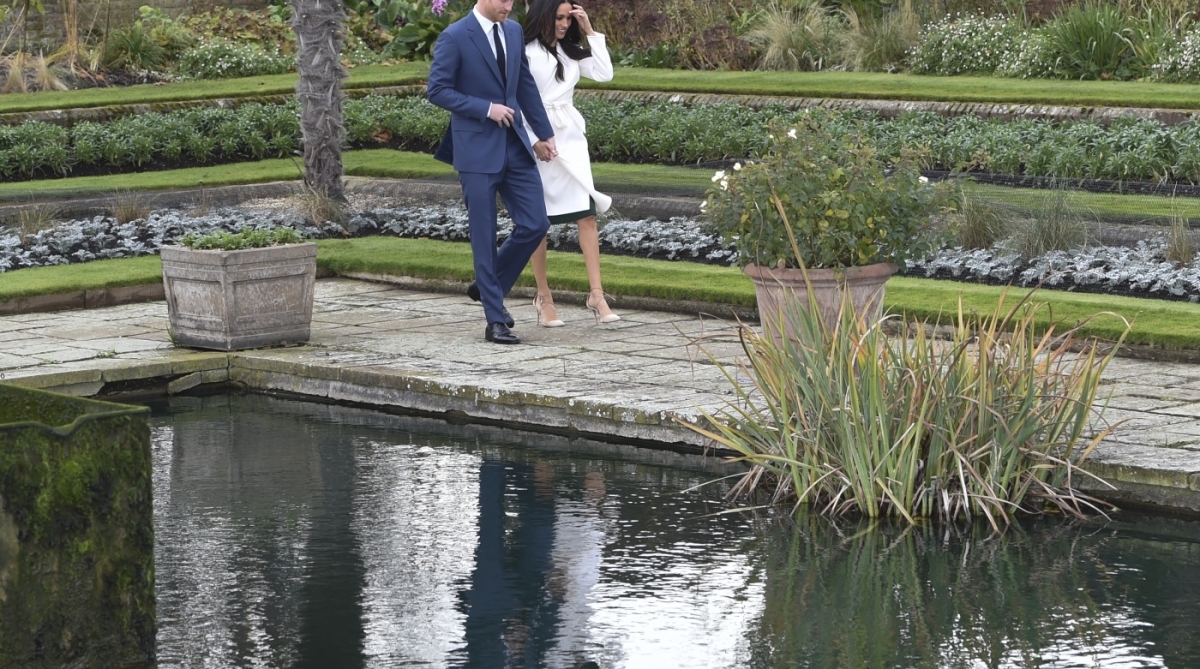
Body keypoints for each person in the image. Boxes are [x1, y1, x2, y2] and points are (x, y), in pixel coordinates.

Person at [427, 0, 559, 344]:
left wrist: (543, 134)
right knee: (483, 236)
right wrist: (485, 108)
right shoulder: (454, 37)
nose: (509, 5)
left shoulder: (513, 31)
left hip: (515, 146)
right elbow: (437, 90)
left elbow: (525, 86)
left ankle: (488, 286)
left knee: (535, 223)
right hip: (475, 152)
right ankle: (494, 319)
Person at [521, 0, 619, 327]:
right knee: (539, 222)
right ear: (544, 16)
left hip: (572, 141)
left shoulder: (571, 50)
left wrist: (589, 29)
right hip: (541, 141)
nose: (563, 24)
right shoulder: (526, 52)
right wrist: (534, 140)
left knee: (587, 216)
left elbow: (604, 73)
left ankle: (597, 294)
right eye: (558, 18)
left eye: (567, 18)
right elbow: (518, 99)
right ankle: (543, 297)